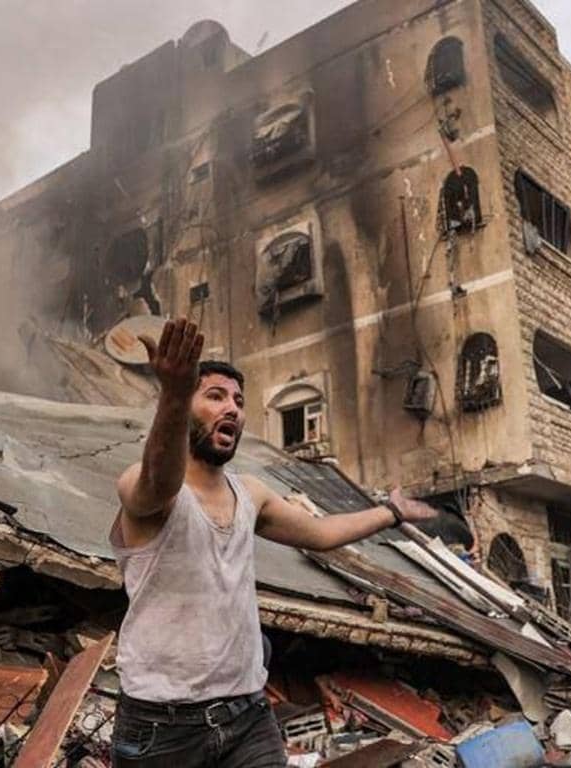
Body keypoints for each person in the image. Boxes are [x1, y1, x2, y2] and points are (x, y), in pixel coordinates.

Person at [110, 318, 438, 767]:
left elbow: (321, 534)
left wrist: (392, 512)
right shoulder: (142, 484)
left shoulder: (251, 493)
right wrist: (174, 393)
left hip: (246, 715)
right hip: (162, 729)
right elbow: (157, 481)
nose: (232, 408)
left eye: (238, 401)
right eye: (215, 396)